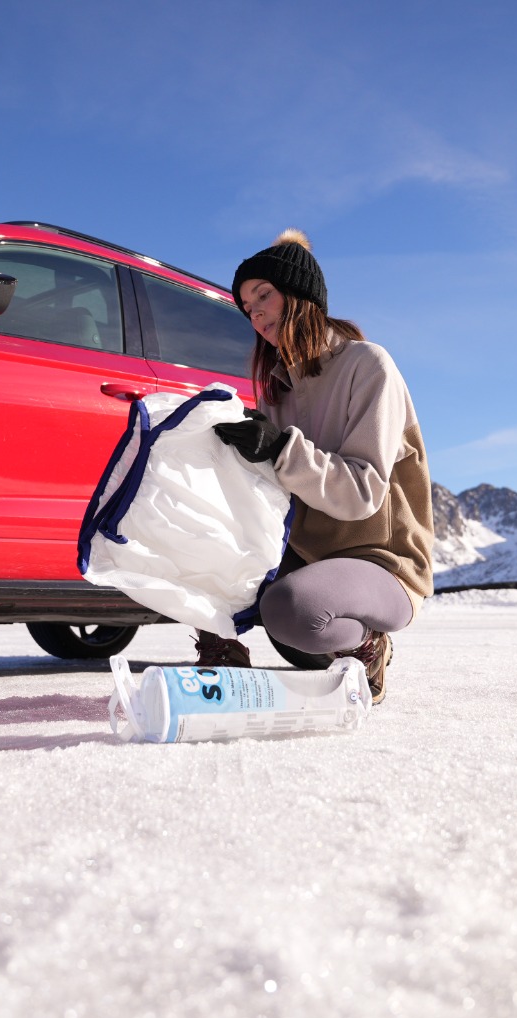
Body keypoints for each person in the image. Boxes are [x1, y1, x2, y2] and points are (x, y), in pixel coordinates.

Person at [199, 229, 434, 703]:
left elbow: (361, 493)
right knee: (207, 545)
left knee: (292, 612)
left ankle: (370, 645)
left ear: (300, 295)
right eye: (247, 307)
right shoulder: (277, 391)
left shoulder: (369, 367)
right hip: (310, 560)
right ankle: (221, 660)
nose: (255, 312)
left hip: (381, 563)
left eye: (263, 295)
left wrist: (281, 450)